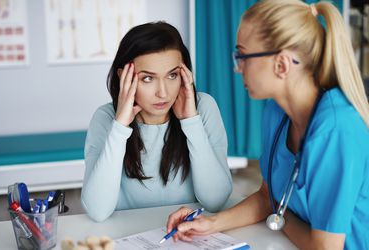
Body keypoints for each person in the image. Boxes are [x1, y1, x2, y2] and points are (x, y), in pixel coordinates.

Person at [165, 1, 369, 249]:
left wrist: (279, 217)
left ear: (282, 65)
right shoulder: (277, 112)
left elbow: (324, 247)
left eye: (242, 56)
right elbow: (266, 196)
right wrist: (211, 223)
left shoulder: (336, 129)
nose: (236, 68)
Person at [81, 22, 233, 222]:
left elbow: (216, 201)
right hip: (127, 235)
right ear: (123, 77)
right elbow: (97, 211)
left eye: (172, 75)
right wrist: (119, 127)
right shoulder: (106, 117)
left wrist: (191, 122)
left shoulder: (202, 107)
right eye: (147, 79)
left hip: (187, 236)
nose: (163, 92)